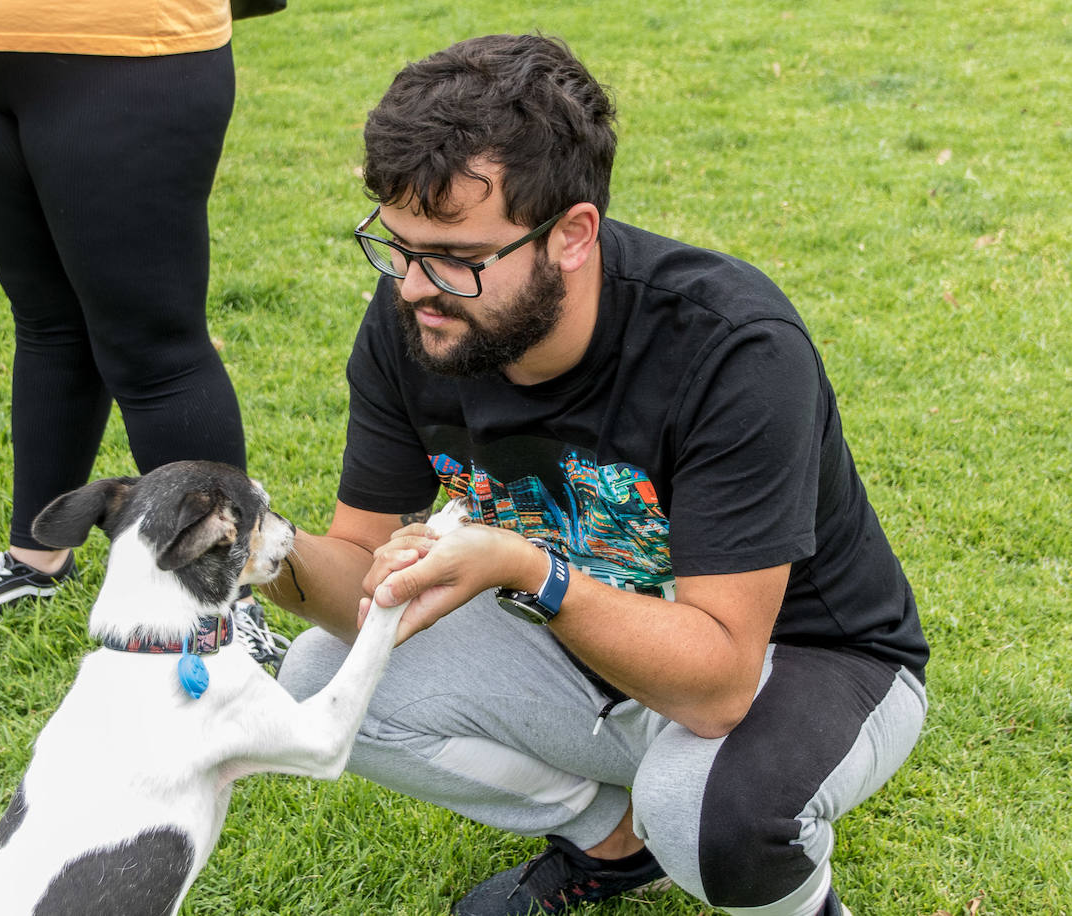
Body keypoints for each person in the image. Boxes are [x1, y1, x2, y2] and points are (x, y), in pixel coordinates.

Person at [263, 33, 929, 916]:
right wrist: (256, 549)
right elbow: (357, 575)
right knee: (323, 676)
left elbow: (721, 683)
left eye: (458, 257)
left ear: (572, 235)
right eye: (397, 244)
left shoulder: (733, 348)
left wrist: (524, 569)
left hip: (795, 657)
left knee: (712, 817)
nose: (416, 286)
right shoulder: (422, 323)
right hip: (580, 639)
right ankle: (610, 844)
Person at [0, 0, 253, 640]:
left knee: (156, 350)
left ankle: (222, 604)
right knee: (47, 321)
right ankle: (37, 558)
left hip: (129, 46)